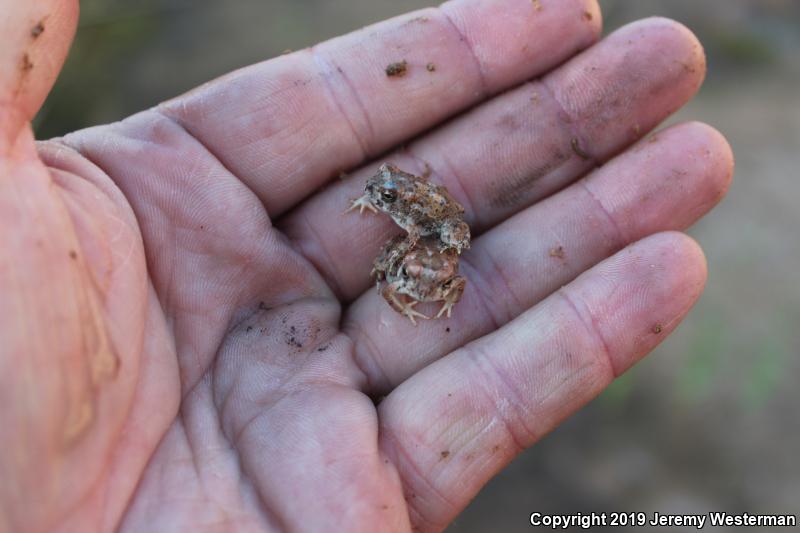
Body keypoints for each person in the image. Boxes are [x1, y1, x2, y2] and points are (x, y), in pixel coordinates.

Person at [0, 0, 733, 531]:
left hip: (439, 238)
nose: (376, 200)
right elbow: (405, 208)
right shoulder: (396, 201)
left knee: (413, 265)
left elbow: (425, 225)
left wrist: (421, 262)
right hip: (434, 231)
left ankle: (422, 287)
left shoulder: (420, 223)